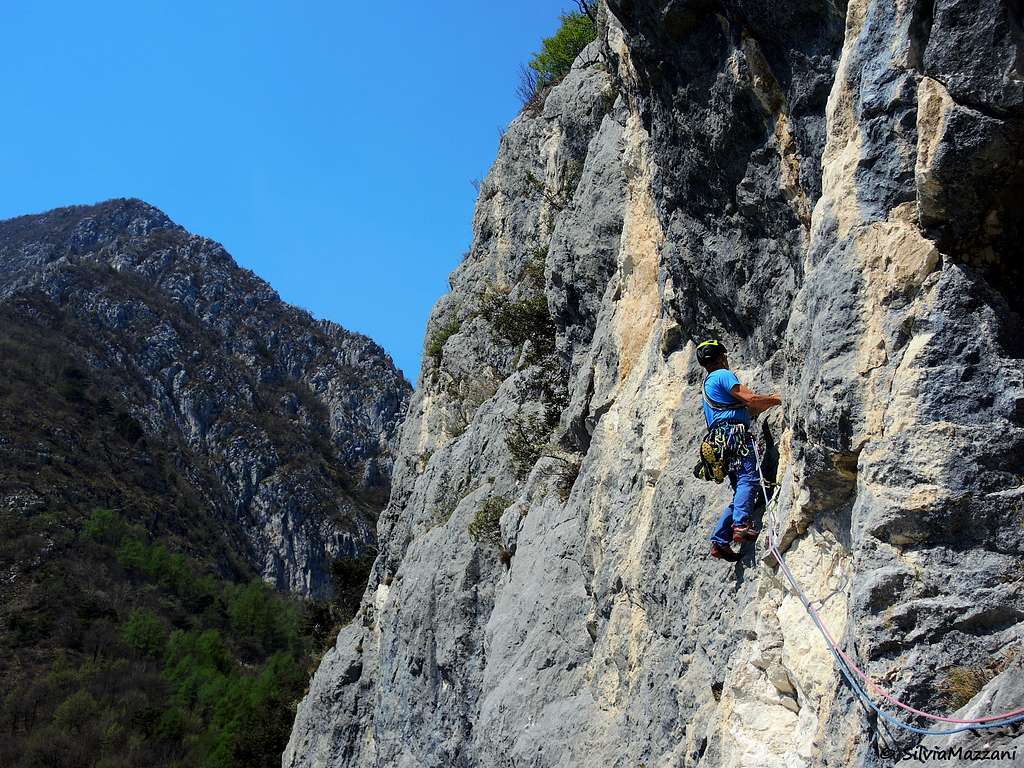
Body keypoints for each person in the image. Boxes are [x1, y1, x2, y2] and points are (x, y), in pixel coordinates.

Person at [694, 339, 781, 562]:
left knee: (742, 489)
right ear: (722, 357)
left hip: (720, 440)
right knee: (749, 480)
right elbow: (750, 400)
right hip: (734, 435)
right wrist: (777, 399)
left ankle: (720, 540)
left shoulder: (708, 384)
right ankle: (740, 525)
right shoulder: (723, 375)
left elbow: (738, 408)